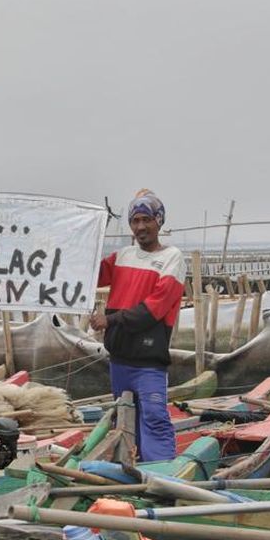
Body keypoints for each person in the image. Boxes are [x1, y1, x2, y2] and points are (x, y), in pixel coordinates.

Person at [90, 189, 184, 462]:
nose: (140, 227)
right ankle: (131, 465)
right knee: (124, 417)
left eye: (146, 220)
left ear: (159, 222)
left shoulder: (172, 258)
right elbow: (89, 275)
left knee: (154, 416)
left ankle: (161, 469)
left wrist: (109, 320)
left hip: (148, 361)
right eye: (135, 221)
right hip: (119, 359)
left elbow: (153, 309)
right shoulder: (122, 256)